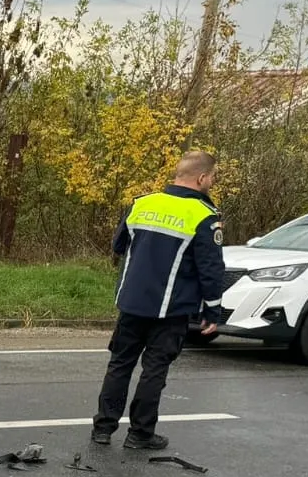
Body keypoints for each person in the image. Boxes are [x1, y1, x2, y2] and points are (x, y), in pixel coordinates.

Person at [91, 150, 228, 450]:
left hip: (132, 301)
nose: (212, 182)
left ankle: (102, 428)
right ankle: (140, 434)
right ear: (202, 178)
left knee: (120, 364)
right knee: (154, 369)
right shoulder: (204, 215)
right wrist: (212, 310)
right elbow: (211, 269)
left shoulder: (142, 203)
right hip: (171, 308)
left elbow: (119, 245)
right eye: (212, 178)